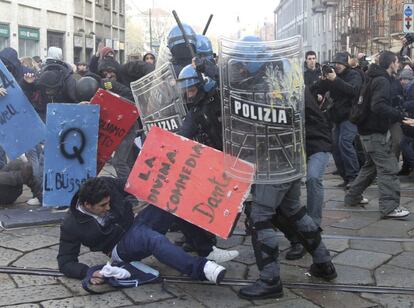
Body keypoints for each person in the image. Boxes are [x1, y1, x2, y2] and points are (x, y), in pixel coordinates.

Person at [218, 35, 337, 300]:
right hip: (290, 160)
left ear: (251, 62)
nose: (237, 69)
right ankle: (324, 263)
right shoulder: (286, 78)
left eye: (241, 63)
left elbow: (255, 126)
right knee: (294, 212)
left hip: (272, 163)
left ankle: (270, 281)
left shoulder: (261, 87)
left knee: (261, 217)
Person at [57, 177, 227, 284]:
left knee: (172, 201)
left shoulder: (106, 184)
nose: (108, 208)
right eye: (103, 206)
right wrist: (88, 272)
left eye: (109, 203)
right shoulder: (71, 225)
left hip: (135, 224)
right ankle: (201, 269)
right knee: (152, 239)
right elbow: (65, 262)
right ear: (87, 205)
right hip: (119, 248)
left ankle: (206, 249)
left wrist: (159, 184)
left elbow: (134, 183)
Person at [344, 51, 411, 218]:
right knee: (388, 169)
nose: (398, 65)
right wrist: (399, 116)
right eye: (396, 62)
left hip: (367, 131)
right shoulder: (382, 80)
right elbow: (378, 106)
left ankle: (352, 197)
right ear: (390, 63)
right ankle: (389, 208)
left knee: (370, 168)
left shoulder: (373, 76)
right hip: (374, 132)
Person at [284, 87, 333, 260]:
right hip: (294, 149)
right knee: (291, 189)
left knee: (313, 178)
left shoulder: (300, 94)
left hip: (316, 144)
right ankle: (298, 233)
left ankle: (312, 228)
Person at [316, 52, 363, 188]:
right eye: (336, 63)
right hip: (337, 116)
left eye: (340, 63)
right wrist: (324, 79)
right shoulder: (332, 75)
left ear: (346, 64)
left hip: (350, 115)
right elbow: (320, 89)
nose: (337, 66)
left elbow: (353, 91)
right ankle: (346, 177)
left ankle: (354, 177)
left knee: (345, 143)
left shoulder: (354, 74)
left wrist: (335, 79)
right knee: (335, 147)